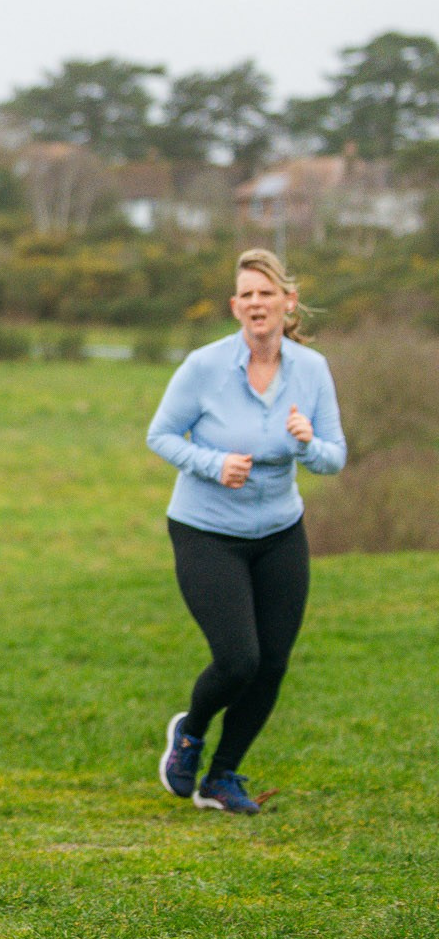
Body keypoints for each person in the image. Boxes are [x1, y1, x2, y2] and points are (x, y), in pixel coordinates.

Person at [149, 249, 344, 815]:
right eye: (247, 295)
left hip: (281, 531)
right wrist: (213, 464)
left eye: (268, 293)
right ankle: (190, 731)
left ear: (288, 302)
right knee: (239, 659)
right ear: (236, 308)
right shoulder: (204, 366)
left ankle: (221, 777)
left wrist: (307, 442)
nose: (258, 303)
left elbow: (334, 458)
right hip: (206, 531)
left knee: (274, 661)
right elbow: (160, 435)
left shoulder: (313, 370)